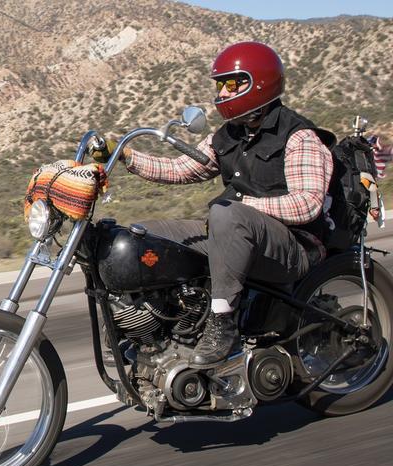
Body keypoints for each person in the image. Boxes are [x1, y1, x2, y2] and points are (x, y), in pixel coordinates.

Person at [93, 41, 335, 369]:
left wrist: (245, 206)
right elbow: (181, 169)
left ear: (259, 83)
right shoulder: (230, 134)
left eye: (231, 85)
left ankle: (223, 323)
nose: (222, 93)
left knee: (226, 214)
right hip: (234, 232)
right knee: (140, 236)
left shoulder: (298, 137)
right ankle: (146, 327)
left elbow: (307, 205)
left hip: (292, 248)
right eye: (220, 85)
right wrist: (124, 155)